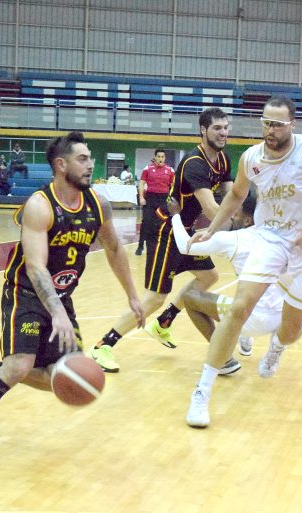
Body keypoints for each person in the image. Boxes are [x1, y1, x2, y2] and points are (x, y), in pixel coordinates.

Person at [0, 131, 144, 470]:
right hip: (26, 291)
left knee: (63, 379)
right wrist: (57, 311)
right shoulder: (39, 206)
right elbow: (35, 266)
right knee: (20, 365)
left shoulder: (97, 204)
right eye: (82, 159)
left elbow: (115, 249)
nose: (91, 165)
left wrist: (133, 296)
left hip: (61, 297)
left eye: (90, 158)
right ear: (61, 165)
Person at [184, 95, 302, 428]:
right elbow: (235, 196)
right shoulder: (251, 157)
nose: (270, 129)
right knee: (238, 309)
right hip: (269, 240)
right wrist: (211, 229)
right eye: (266, 122)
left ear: (293, 124)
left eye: (277, 124)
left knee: (291, 331)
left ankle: (277, 346)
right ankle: (202, 392)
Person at [91, 108, 232, 373]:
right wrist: (244, 226)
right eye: (217, 128)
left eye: (226, 127)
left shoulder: (223, 159)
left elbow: (232, 196)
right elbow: (214, 210)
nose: (223, 132)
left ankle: (165, 321)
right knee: (155, 297)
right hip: (166, 229)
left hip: (185, 230)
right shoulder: (195, 163)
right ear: (203, 130)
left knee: (209, 276)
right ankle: (102, 346)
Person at [167, 194, 283, 374]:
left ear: (247, 220)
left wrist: (175, 215)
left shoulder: (232, 240)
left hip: (255, 318)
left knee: (190, 298)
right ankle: (247, 340)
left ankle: (223, 360)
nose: (232, 217)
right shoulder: (276, 235)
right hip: (280, 318)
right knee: (248, 291)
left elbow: (184, 246)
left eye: (236, 214)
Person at [134, 149, 174, 256]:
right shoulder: (148, 169)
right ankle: (140, 246)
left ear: (164, 158)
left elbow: (173, 185)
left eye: (162, 157)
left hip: (163, 199)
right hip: (150, 199)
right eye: (158, 156)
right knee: (146, 222)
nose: (160, 159)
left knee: (163, 223)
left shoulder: (170, 170)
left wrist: (171, 198)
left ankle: (161, 246)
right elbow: (141, 184)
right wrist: (142, 197)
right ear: (155, 157)